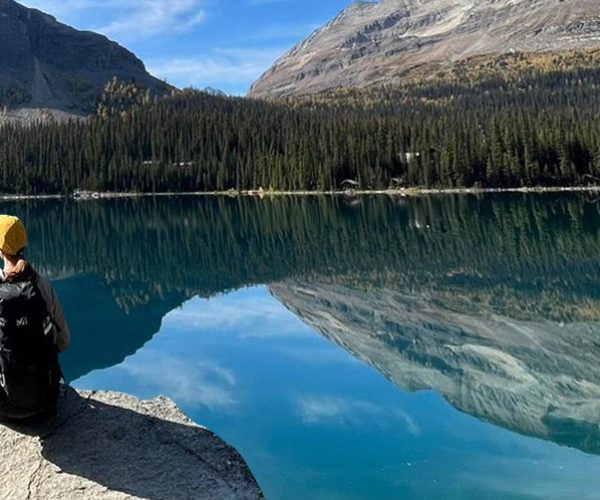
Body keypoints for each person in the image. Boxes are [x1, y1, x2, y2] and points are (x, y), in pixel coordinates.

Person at [0, 215, 69, 420]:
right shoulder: (42, 285)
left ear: (1, 250)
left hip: (5, 408)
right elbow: (63, 341)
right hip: (44, 402)